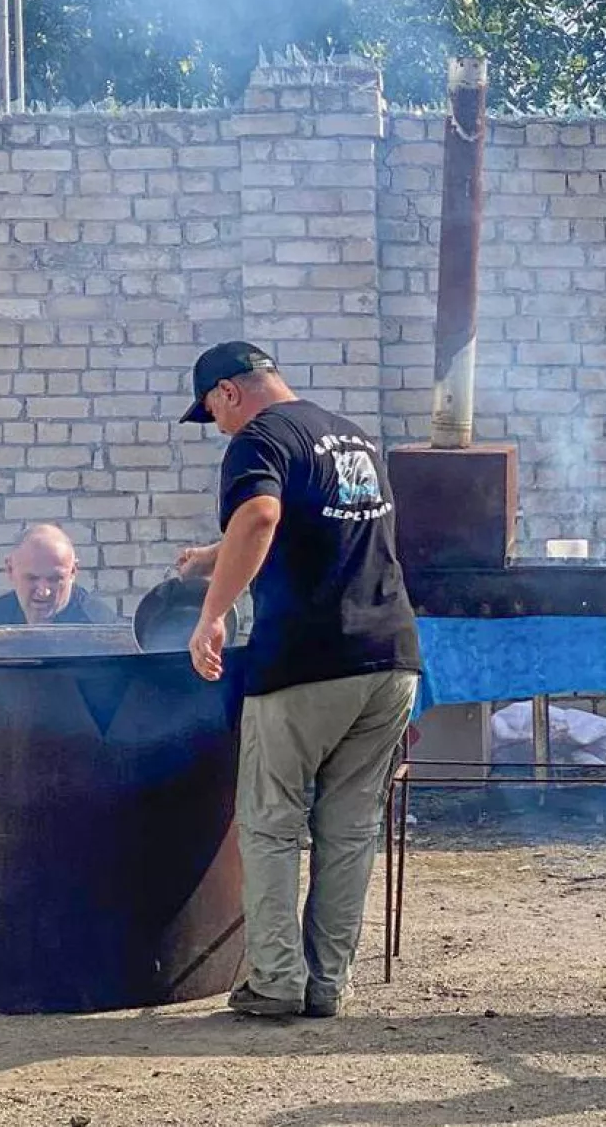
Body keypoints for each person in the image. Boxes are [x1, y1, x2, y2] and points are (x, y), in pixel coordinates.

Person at [175, 340, 421, 1019]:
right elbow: (310, 528)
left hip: (308, 663)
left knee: (271, 821)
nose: (217, 427)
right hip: (390, 659)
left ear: (229, 392)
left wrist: (212, 614)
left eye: (211, 412)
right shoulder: (350, 437)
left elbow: (260, 516)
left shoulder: (258, 438)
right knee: (348, 828)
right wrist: (209, 558)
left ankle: (277, 981)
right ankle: (328, 984)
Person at [0, 523, 117, 626]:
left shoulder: (98, 627)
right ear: (10, 570)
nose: (43, 592)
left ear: (73, 572)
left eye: (55, 579)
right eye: (32, 578)